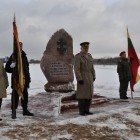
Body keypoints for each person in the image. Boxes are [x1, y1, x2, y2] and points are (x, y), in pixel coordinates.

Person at [5, 42, 34, 116]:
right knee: (15, 96)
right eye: (18, 46)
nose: (20, 47)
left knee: (25, 95)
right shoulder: (13, 56)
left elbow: (26, 68)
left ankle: (25, 110)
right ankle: (13, 111)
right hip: (16, 80)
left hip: (24, 80)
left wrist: (28, 79)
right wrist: (11, 66)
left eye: (21, 46)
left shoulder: (24, 55)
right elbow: (7, 68)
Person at [74, 42, 96, 116]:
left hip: (89, 77)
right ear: (81, 48)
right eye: (85, 48)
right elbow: (76, 69)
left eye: (87, 48)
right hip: (83, 77)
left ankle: (87, 110)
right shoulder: (78, 56)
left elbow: (92, 68)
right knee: (82, 95)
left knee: (89, 94)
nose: (86, 49)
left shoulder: (89, 56)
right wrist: (79, 78)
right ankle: (82, 111)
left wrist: (94, 76)